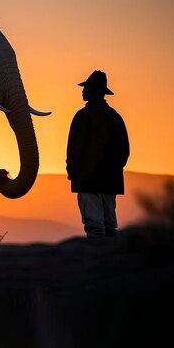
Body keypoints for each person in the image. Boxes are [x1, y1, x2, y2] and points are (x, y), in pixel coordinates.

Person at [66, 70, 130, 238]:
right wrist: (114, 170)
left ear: (93, 90)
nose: (83, 90)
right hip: (111, 181)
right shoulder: (115, 117)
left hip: (87, 180)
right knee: (109, 224)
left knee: (94, 225)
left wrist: (73, 173)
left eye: (86, 87)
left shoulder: (82, 116)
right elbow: (125, 151)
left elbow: (74, 149)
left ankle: (97, 259)